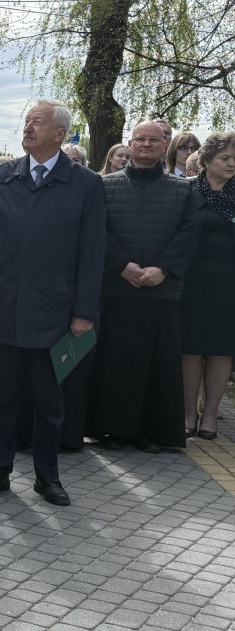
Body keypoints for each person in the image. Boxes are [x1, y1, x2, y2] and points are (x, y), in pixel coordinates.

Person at [0, 99, 106, 506]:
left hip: (56, 313)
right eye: (27, 121)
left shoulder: (85, 184)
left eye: (38, 122)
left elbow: (93, 253)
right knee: (3, 397)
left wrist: (84, 312)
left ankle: (47, 477)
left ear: (60, 134)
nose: (28, 127)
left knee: (49, 402)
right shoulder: (3, 176)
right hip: (7, 308)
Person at [90, 121, 197, 453]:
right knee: (114, 361)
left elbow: (189, 233)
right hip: (117, 287)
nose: (146, 144)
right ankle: (111, 429)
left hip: (160, 289)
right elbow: (97, 230)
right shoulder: (104, 185)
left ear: (165, 145)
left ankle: (151, 433)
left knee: (158, 365)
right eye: (140, 139)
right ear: (130, 143)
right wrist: (122, 265)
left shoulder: (183, 189)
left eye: (154, 139)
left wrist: (163, 269)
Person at [181, 132, 235, 440]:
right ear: (207, 160)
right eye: (225, 158)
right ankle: (188, 412)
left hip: (228, 285)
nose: (232, 164)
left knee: (220, 350)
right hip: (191, 281)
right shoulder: (185, 190)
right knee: (190, 349)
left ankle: (211, 413)